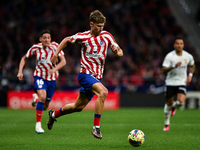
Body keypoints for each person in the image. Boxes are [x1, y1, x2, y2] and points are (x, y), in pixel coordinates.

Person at [47, 10, 123, 139]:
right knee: (103, 92)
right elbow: (66, 40)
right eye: (98, 26)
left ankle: (53, 115)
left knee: (78, 107)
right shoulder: (83, 37)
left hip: (96, 77)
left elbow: (120, 52)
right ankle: (96, 128)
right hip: (85, 74)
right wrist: (56, 54)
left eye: (102, 26)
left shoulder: (107, 36)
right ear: (91, 24)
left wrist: (116, 51)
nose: (100, 28)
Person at [17, 30, 66, 134]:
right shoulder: (35, 48)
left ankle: (36, 98)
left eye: (48, 37)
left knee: (45, 106)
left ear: (50, 39)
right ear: (40, 39)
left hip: (52, 79)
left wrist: (54, 69)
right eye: (44, 37)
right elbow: (24, 58)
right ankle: (38, 125)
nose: (46, 39)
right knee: (43, 97)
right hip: (40, 76)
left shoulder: (56, 46)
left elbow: (64, 61)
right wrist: (20, 71)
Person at [162, 37, 195, 131]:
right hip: (170, 82)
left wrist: (190, 75)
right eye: (177, 43)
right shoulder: (170, 56)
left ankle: (174, 106)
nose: (179, 45)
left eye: (181, 43)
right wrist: (173, 66)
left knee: (181, 102)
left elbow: (192, 65)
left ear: (183, 45)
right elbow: (163, 70)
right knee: (168, 103)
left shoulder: (188, 56)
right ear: (174, 45)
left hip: (181, 82)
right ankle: (166, 124)